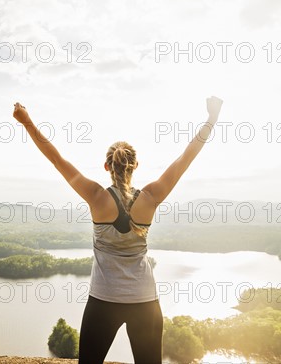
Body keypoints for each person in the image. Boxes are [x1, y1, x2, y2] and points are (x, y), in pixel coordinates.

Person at [12, 96, 223, 364]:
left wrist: (26, 121)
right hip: (145, 301)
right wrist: (211, 119)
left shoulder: (96, 196)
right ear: (136, 166)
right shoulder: (151, 197)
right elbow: (186, 158)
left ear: (107, 167)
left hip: (103, 300)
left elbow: (56, 159)